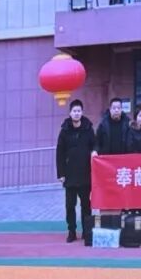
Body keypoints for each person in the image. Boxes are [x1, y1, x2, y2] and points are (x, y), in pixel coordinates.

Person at [56, 99, 97, 243]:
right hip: (70, 175)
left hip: (85, 174)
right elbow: (59, 153)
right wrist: (61, 173)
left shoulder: (88, 128)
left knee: (86, 205)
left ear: (82, 112)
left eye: (79, 111)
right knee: (70, 206)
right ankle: (72, 231)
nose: (77, 113)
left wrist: (94, 151)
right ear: (70, 113)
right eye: (74, 111)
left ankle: (86, 231)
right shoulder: (64, 130)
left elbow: (94, 144)